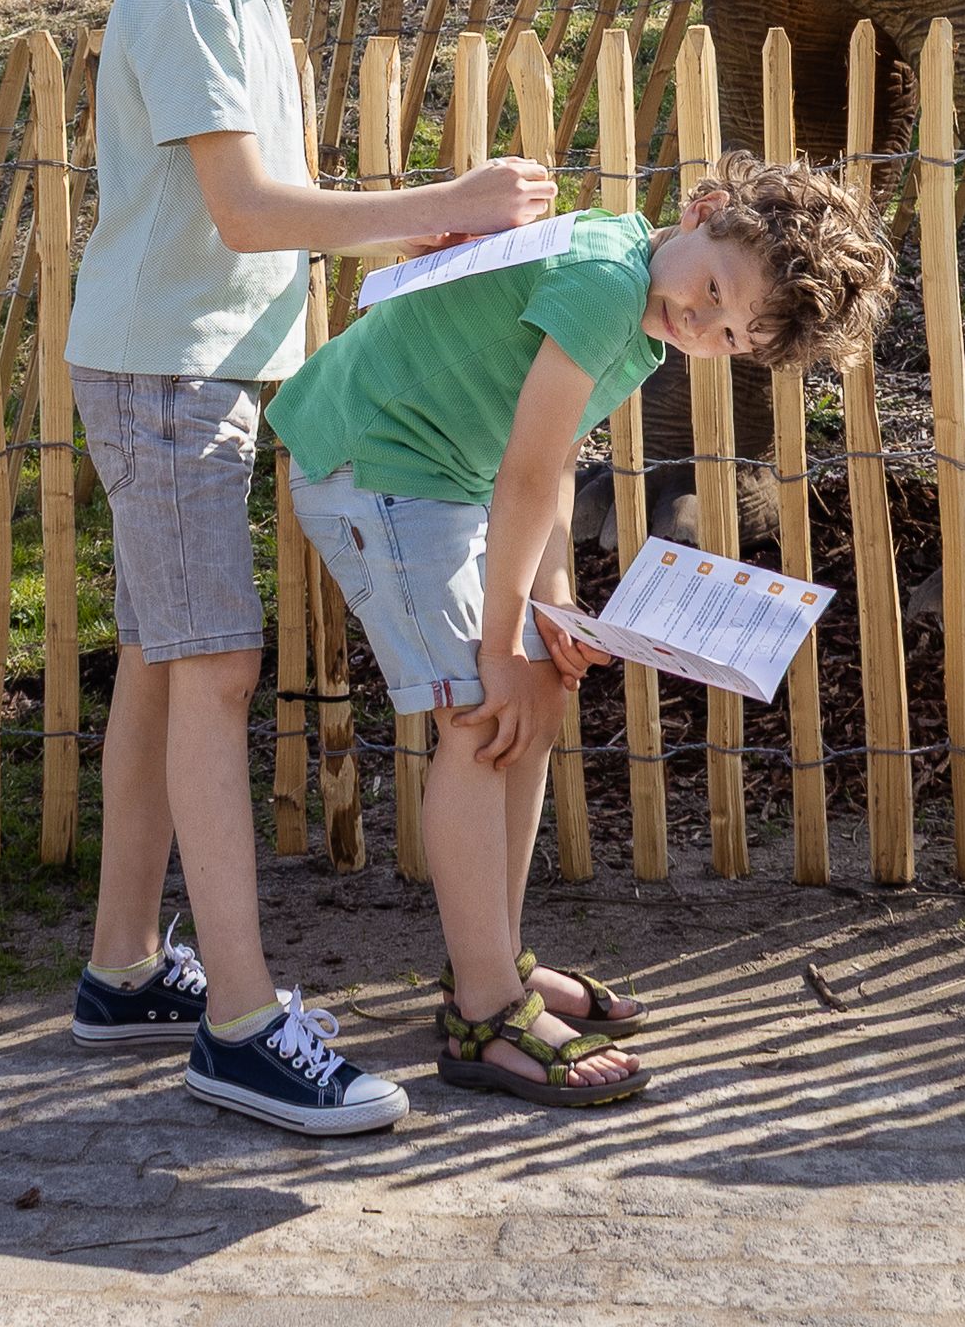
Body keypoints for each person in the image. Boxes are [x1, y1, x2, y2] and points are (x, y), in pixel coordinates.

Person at [65, 0, 558, 1136]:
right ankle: (235, 1022)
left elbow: (265, 214)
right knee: (217, 672)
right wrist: (443, 207)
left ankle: (121, 970)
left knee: (168, 666)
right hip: (171, 373)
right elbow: (245, 210)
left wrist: (406, 244)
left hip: (199, 362)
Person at [268, 153, 896, 1107]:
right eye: (715, 290)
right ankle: (483, 1014)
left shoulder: (638, 307)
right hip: (378, 460)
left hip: (443, 472)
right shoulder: (608, 284)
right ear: (705, 208)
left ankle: (496, 966)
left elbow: (554, 460)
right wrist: (499, 640)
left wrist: (550, 604)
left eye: (734, 334)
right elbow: (525, 474)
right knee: (482, 714)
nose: (707, 324)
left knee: (540, 691)